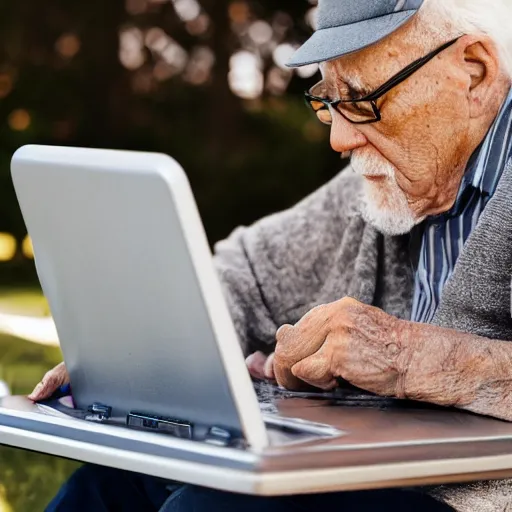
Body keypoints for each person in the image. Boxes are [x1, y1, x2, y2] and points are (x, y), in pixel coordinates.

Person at [30, 0, 512, 510]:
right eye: (329, 99)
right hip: (384, 475)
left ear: (475, 71)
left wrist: (411, 358)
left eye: (364, 101)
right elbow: (244, 272)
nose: (339, 138)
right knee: (105, 489)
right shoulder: (391, 175)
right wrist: (144, 350)